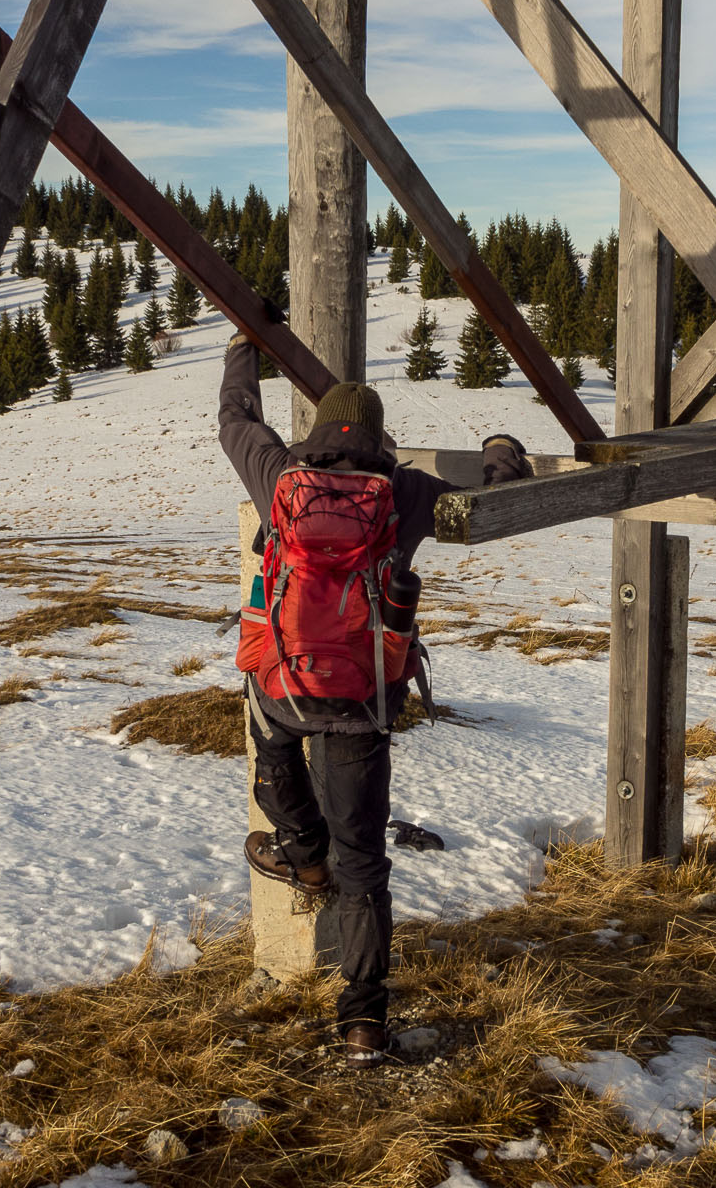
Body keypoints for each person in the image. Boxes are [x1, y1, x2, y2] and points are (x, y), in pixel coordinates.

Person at [216, 332, 530, 1068]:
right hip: (363, 701)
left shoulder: (278, 474)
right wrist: (502, 449)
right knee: (367, 867)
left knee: (269, 730)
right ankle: (362, 1024)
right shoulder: (406, 491)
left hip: (285, 689)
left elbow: (235, 419)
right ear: (379, 433)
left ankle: (301, 854)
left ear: (322, 427)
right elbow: (490, 500)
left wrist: (242, 346)